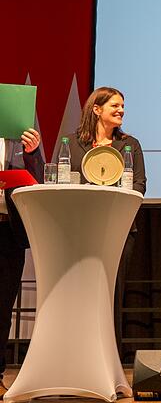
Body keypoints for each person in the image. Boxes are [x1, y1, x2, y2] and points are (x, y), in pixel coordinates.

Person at [60, 86, 146, 356]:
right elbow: (60, 181)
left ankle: (108, 359)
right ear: (96, 109)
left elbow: (140, 186)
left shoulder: (129, 145)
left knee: (111, 296)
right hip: (78, 229)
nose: (121, 110)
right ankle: (74, 355)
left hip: (118, 229)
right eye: (115, 106)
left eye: (122, 106)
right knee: (77, 295)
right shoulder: (71, 144)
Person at [0, 128, 43, 398]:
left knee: (2, 306)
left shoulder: (19, 140)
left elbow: (37, 179)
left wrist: (33, 153)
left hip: (7, 232)